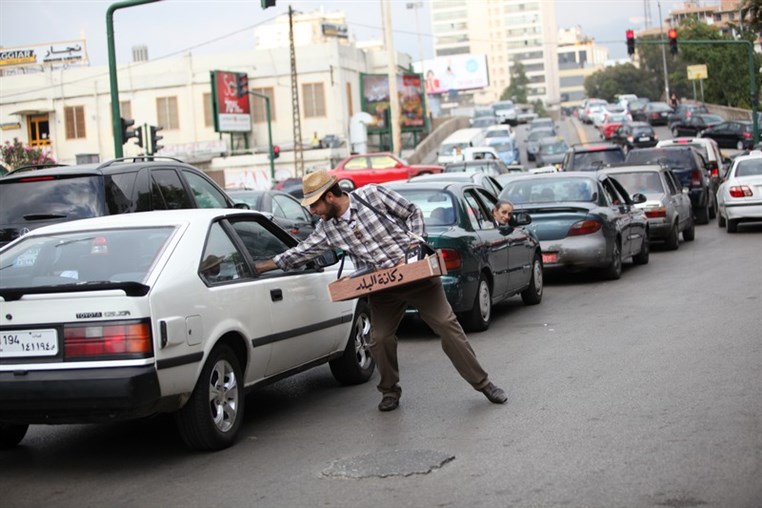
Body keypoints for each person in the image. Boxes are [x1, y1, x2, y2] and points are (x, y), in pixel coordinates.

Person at [254, 170, 507, 412]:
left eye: (314, 205)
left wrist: (413, 250)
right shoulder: (327, 229)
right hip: (383, 290)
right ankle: (389, 391)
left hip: (418, 279)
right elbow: (301, 252)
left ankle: (484, 384)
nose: (313, 211)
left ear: (329, 196)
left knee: (447, 327)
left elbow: (412, 213)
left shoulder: (372, 195)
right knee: (379, 339)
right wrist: (263, 266)